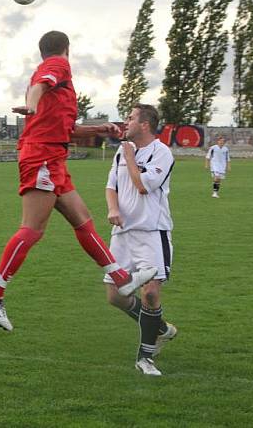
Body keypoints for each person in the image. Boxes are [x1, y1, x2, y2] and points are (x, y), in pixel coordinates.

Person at [0, 31, 157, 332]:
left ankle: (122, 280)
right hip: (42, 158)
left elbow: (66, 128)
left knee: (83, 221)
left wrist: (100, 128)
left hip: (53, 159)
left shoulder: (60, 85)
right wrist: (32, 104)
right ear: (66, 49)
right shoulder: (58, 66)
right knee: (32, 230)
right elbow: (39, 85)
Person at [105, 104, 178, 376]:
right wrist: (113, 209)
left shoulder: (162, 152)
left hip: (151, 232)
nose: (127, 122)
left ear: (145, 124)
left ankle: (145, 358)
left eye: (131, 118)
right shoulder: (121, 152)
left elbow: (142, 186)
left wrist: (130, 156)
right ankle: (159, 328)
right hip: (122, 234)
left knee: (149, 292)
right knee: (115, 296)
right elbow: (111, 186)